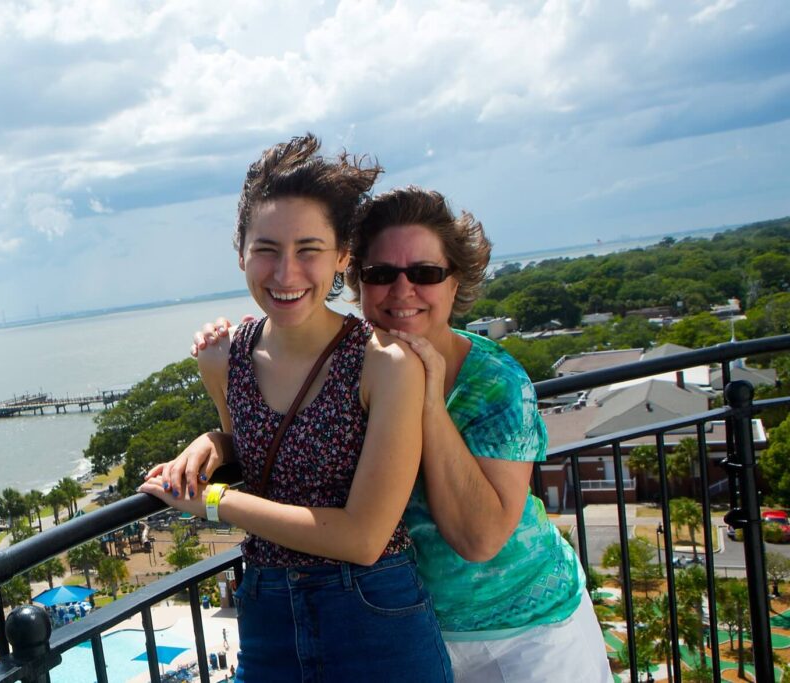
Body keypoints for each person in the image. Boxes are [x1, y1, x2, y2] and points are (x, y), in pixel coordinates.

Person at [190, 186, 610, 682]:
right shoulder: (361, 369)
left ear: (456, 284)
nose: (402, 290)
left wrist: (429, 402)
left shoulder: (494, 381)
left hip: (528, 630)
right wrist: (216, 441)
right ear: (357, 281)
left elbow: (480, 540)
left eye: (426, 274)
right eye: (381, 274)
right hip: (415, 622)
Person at [139, 136, 452, 682]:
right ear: (241, 253)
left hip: (374, 614)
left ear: (342, 257)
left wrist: (214, 502)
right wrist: (214, 444)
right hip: (266, 612)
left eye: (309, 250)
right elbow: (256, 457)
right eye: (266, 249)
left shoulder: (384, 364)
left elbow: (363, 537)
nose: (285, 274)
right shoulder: (222, 357)